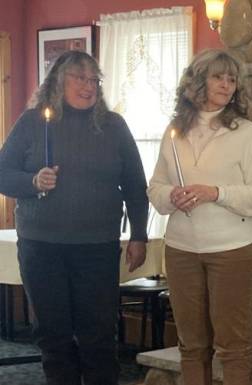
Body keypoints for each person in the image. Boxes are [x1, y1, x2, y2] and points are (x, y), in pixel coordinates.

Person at [0, 50, 148, 385]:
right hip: (42, 248)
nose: (88, 86)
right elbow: (2, 173)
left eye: (93, 79)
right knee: (54, 335)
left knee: (98, 336)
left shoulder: (114, 126)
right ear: (57, 83)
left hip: (97, 247)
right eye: (79, 78)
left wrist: (139, 234)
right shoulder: (32, 122)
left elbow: (136, 185)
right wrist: (32, 182)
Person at [147, 49, 252, 385]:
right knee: (191, 346)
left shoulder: (245, 132)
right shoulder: (175, 130)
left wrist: (216, 193)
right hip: (180, 250)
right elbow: (156, 189)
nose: (226, 84)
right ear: (198, 81)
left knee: (233, 347)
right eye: (218, 76)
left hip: (233, 252)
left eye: (232, 79)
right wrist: (171, 196)